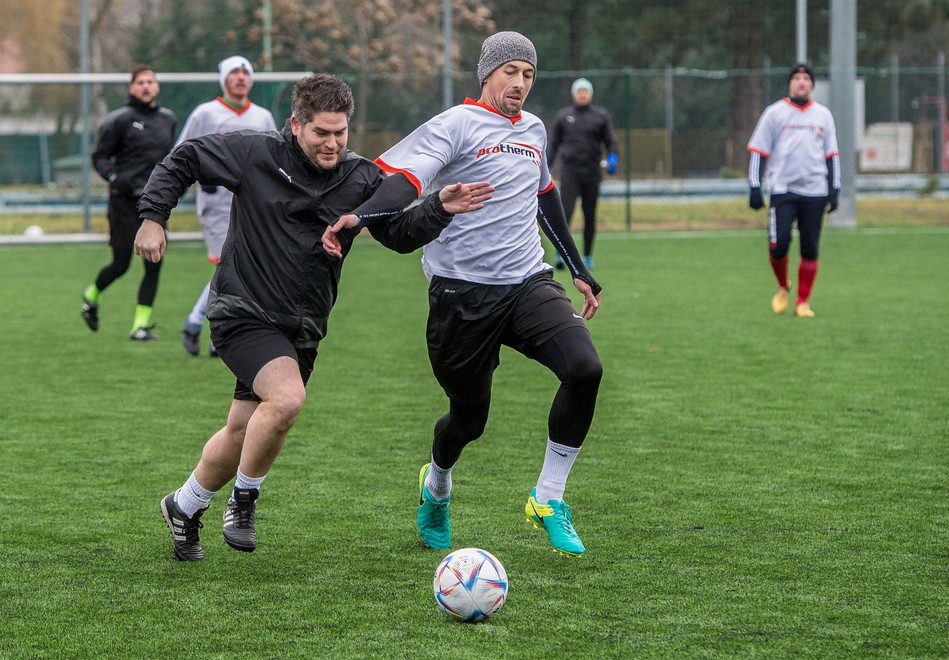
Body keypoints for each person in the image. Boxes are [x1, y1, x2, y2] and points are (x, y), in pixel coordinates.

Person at [135, 73, 493, 562]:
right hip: (243, 310)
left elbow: (399, 234)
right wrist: (154, 216)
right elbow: (185, 158)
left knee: (244, 429)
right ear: (295, 125)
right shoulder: (256, 154)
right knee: (286, 400)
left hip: (302, 327)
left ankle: (183, 505)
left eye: (340, 132)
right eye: (320, 132)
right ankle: (243, 502)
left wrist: (439, 208)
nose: (331, 143)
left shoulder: (360, 177)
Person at [326, 31, 604, 557]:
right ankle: (437, 486)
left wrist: (578, 268)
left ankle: (548, 498)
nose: (519, 84)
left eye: (528, 74)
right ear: (487, 74)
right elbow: (402, 178)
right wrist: (361, 217)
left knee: (585, 369)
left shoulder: (535, 130)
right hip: (461, 297)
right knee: (468, 421)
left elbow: (544, 195)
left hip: (527, 283)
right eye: (510, 73)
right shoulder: (456, 123)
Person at [177, 55, 277, 356]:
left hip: (252, 203)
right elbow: (182, 153)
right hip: (217, 204)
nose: (241, 77)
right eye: (234, 72)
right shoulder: (205, 113)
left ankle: (202, 325)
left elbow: (274, 156)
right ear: (224, 79)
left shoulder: (262, 117)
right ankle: (207, 328)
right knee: (229, 266)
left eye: (246, 72)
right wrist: (196, 178)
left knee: (242, 268)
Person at [82, 65, 176, 340]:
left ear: (157, 87)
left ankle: (140, 326)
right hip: (123, 202)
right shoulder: (119, 120)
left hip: (155, 204)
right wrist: (115, 178)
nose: (146, 86)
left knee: (155, 262)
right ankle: (91, 296)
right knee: (121, 264)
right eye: (140, 82)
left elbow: (171, 156)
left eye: (151, 81)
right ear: (131, 88)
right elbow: (99, 157)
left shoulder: (168, 119)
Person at [747, 63, 840, 318]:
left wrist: (835, 188)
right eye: (797, 78)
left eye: (806, 78)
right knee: (779, 246)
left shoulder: (823, 115)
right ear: (790, 83)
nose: (801, 82)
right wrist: (755, 187)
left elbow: (832, 155)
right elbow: (759, 152)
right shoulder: (774, 113)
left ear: (812, 85)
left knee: (810, 248)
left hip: (815, 191)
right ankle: (782, 286)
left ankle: (802, 302)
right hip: (783, 190)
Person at [547, 77, 619, 270]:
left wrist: (613, 157)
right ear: (574, 94)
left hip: (592, 172)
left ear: (590, 94)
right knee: (565, 213)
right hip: (570, 171)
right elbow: (553, 144)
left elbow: (611, 140)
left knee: (589, 215)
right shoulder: (564, 116)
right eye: (579, 91)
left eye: (585, 91)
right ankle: (561, 255)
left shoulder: (601, 116)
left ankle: (587, 256)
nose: (582, 94)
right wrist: (546, 165)